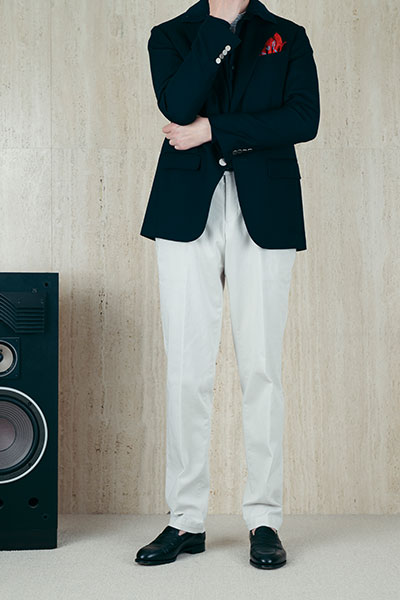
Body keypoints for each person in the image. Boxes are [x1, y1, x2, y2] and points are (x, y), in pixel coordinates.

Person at [136, 0, 320, 569]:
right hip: (185, 207)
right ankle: (185, 520)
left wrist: (213, 130)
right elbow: (177, 104)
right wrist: (217, 24)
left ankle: (264, 519)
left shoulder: (288, 35)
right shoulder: (171, 34)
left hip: (265, 206)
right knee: (186, 368)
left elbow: (302, 119)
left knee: (261, 367)